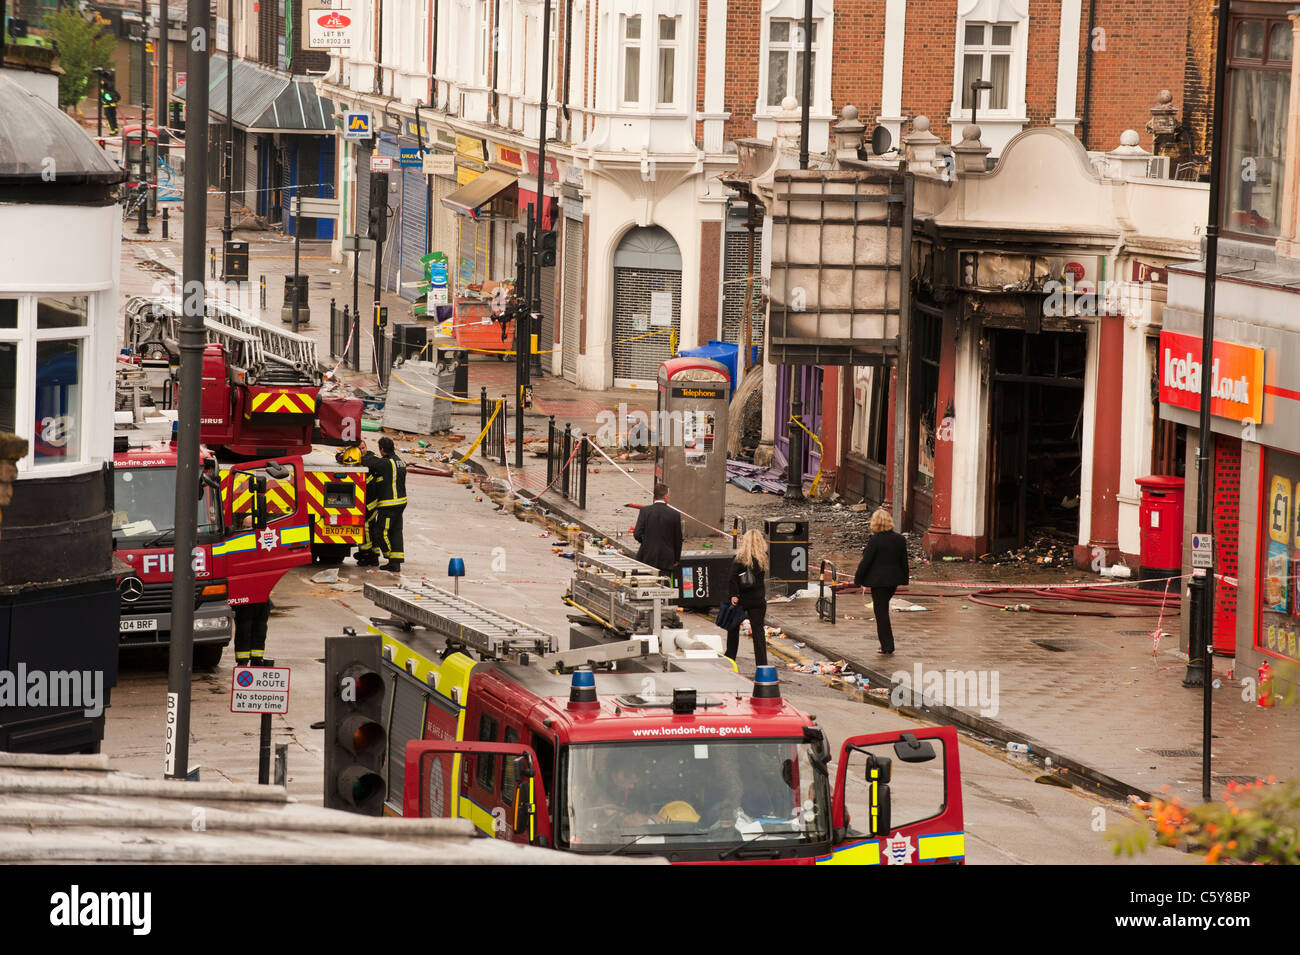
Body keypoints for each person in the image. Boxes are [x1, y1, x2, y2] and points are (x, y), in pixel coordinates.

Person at [854, 507, 910, 655]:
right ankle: (886, 644)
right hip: (893, 581)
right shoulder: (900, 539)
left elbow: (866, 562)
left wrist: (858, 580)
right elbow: (904, 561)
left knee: (881, 613)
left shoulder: (875, 540)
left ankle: (887, 646)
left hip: (878, 582)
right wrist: (904, 579)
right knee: (882, 610)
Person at [355, 436, 407, 572]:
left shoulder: (386, 463)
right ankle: (396, 561)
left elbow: (370, 462)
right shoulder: (401, 461)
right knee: (395, 532)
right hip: (400, 502)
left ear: (382, 449)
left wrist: (353, 455)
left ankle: (392, 560)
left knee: (380, 532)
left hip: (389, 504)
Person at [725, 529, 769, 667]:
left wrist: (733, 595)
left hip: (741, 599)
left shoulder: (740, 558)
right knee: (758, 632)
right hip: (758, 600)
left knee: (733, 629)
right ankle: (762, 664)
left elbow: (732, 578)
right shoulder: (763, 557)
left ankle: (730, 658)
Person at [633, 483, 682, 577]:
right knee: (664, 588)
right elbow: (678, 540)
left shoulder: (645, 511)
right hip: (666, 559)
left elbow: (637, 534)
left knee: (646, 586)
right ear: (666, 497)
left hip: (647, 556)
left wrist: (646, 541)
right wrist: (676, 559)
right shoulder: (675, 514)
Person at [233, 600, 271, 666]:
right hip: (244, 603)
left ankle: (256, 659)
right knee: (244, 632)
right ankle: (244, 661)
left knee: (259, 631)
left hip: (260, 602)